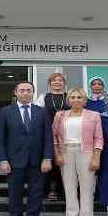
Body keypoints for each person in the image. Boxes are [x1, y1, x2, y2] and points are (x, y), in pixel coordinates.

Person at [0, 81, 53, 216]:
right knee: (15, 194)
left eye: (29, 90)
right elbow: (0, 138)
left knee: (36, 194)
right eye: (22, 90)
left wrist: (47, 158)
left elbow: (48, 137)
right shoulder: (5, 112)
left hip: (37, 162)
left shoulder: (42, 112)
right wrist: (2, 159)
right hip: (14, 162)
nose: (25, 93)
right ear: (16, 92)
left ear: (33, 93)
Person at [52, 88, 103, 216]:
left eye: (79, 97)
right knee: (69, 189)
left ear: (85, 100)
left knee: (87, 190)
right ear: (68, 100)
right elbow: (54, 136)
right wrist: (58, 155)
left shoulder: (94, 115)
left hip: (86, 153)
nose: (76, 100)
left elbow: (99, 138)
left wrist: (96, 157)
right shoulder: (60, 115)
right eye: (72, 97)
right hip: (66, 152)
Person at [36, 72, 70, 201]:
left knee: (66, 163)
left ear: (64, 83)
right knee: (51, 162)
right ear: (50, 83)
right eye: (54, 80)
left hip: (67, 134)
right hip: (49, 134)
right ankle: (50, 190)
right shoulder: (43, 97)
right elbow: (38, 116)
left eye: (60, 80)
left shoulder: (69, 96)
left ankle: (64, 191)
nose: (57, 82)